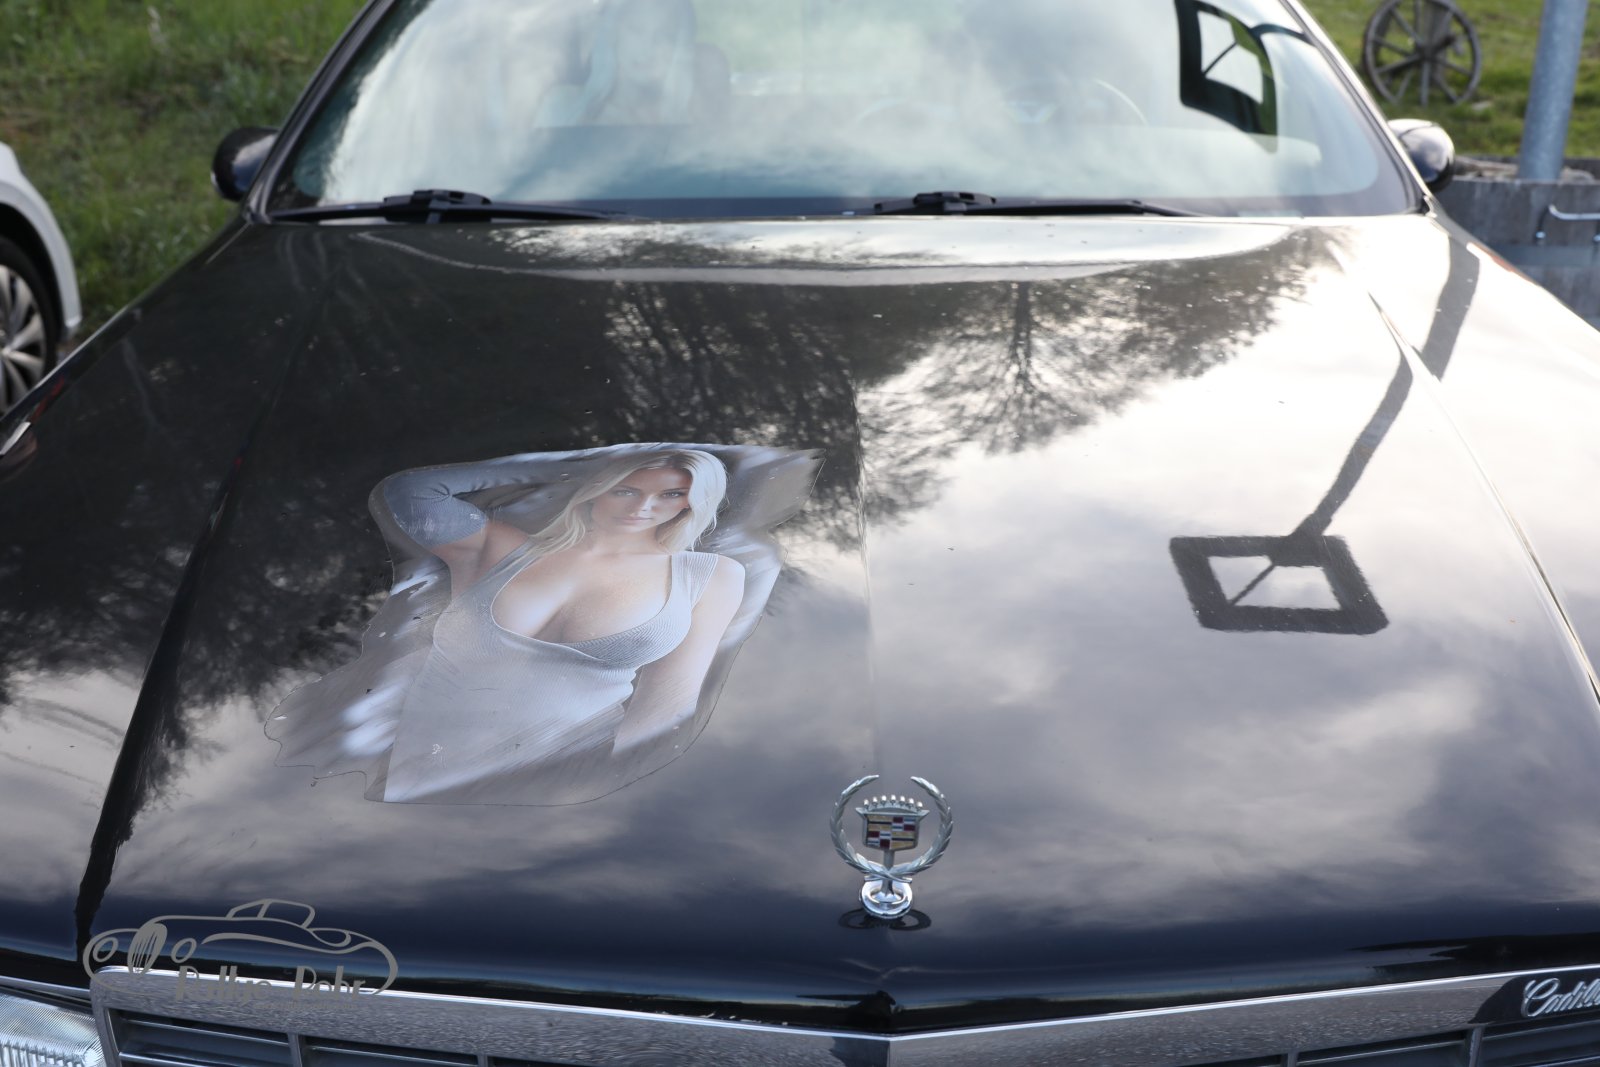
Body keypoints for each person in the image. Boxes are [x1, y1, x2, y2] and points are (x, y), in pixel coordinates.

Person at [371, 449, 744, 804]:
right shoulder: (500, 549)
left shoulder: (707, 576)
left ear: (692, 500)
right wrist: (578, 467)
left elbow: (667, 702)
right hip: (426, 762)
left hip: (564, 778)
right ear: (595, 486)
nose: (642, 507)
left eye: (671, 494)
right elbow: (411, 492)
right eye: (625, 489)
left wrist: (617, 792)